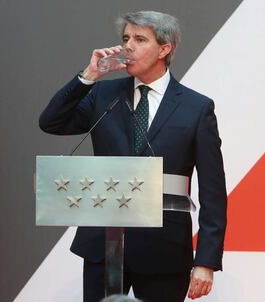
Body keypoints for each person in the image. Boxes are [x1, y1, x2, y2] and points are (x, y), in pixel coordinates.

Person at [39, 10, 227, 302]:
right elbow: (50, 121)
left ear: (165, 49)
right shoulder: (102, 94)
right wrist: (89, 76)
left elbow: (214, 193)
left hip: (163, 249)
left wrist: (205, 261)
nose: (128, 46)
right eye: (126, 38)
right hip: (105, 245)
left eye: (140, 39)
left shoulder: (197, 108)